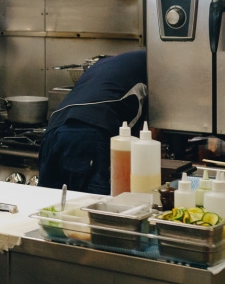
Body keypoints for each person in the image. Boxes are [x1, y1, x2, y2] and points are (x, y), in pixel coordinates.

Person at [38, 50, 148, 195]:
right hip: (89, 134)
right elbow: (152, 129)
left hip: (54, 129)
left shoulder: (108, 63)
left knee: (48, 204)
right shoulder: (154, 67)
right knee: (90, 207)